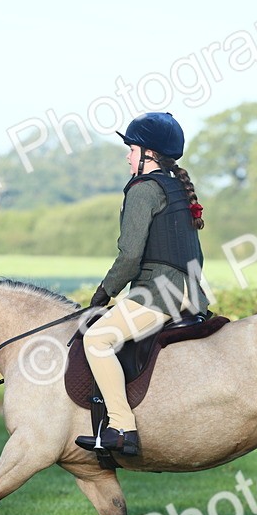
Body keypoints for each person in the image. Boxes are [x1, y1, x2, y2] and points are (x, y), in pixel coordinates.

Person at [74, 112, 209, 458]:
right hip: (191, 295)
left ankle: (122, 426)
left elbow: (130, 255)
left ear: (148, 154)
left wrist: (103, 294)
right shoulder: (177, 188)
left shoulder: (144, 190)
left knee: (97, 338)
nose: (127, 156)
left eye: (131, 149)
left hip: (157, 294)